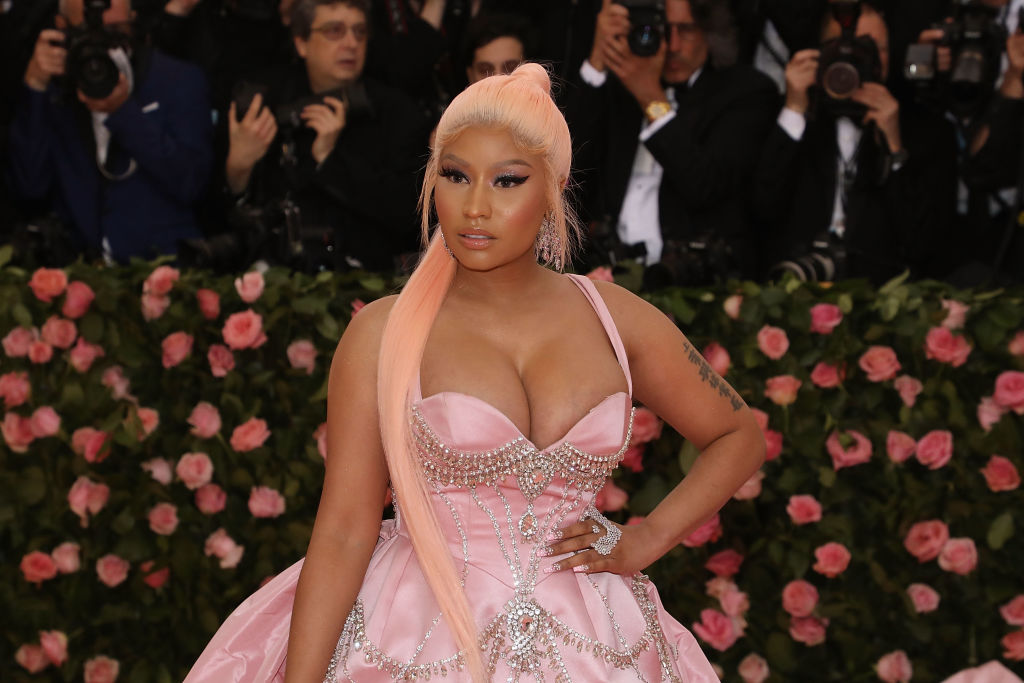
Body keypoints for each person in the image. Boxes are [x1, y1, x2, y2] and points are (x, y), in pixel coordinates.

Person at [183, 63, 765, 682]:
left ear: (554, 187)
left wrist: (645, 541)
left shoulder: (616, 319)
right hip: (413, 635)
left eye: (508, 181)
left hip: (600, 642)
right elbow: (346, 531)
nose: (476, 206)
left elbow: (738, 435)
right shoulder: (383, 332)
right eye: (455, 176)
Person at [565, 0, 778, 286]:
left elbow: (705, 185)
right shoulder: (619, 87)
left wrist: (651, 99)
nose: (673, 45)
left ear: (710, 30)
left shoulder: (745, 92)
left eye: (686, 30)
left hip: (694, 283)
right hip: (603, 276)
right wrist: (598, 60)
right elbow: (568, 168)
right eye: (661, 30)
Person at [753, 0, 958, 283]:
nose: (856, 58)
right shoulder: (788, 117)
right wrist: (794, 111)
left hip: (881, 294)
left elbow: (923, 244)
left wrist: (894, 149)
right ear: (820, 53)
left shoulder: (928, 131)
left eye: (873, 48)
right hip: (794, 287)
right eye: (843, 47)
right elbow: (762, 209)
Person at [221, 0, 428, 273]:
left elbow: (410, 218)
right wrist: (238, 168)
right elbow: (225, 219)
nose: (351, 43)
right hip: (275, 275)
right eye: (334, 31)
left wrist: (330, 160)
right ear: (301, 43)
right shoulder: (269, 103)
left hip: (368, 278)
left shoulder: (397, 111)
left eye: (359, 32)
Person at [6, 0, 213, 264]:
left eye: (115, 31)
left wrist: (124, 113)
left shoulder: (177, 79)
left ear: (133, 19)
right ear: (61, 27)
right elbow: (29, 188)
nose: (101, 44)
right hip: (77, 271)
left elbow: (192, 183)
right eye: (85, 31)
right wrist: (35, 86)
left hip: (163, 268)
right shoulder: (55, 90)